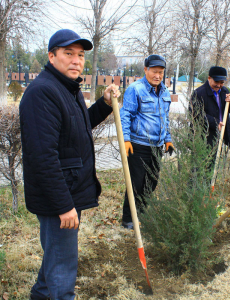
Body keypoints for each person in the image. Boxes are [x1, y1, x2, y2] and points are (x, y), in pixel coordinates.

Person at [20, 29, 120, 300]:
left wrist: (105, 103)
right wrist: (64, 206)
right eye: (68, 53)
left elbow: (79, 126)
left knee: (56, 257)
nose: (77, 61)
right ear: (51, 56)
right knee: (63, 269)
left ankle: (40, 295)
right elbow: (43, 157)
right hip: (58, 199)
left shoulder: (67, 88)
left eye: (80, 55)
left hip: (68, 191)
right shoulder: (42, 93)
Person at [119, 54, 174, 230]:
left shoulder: (165, 92)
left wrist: (168, 139)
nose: (157, 76)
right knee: (135, 182)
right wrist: (126, 140)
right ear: (146, 70)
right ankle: (128, 218)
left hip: (157, 146)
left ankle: (141, 213)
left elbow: (165, 117)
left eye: (161, 72)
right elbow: (125, 115)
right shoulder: (135, 89)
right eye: (154, 71)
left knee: (152, 182)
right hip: (138, 145)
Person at [190, 66, 230, 149]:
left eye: (222, 82)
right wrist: (215, 123)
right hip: (204, 136)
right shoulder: (199, 93)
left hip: (220, 134)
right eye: (216, 81)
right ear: (209, 78)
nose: (218, 85)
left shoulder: (224, 91)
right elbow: (195, 114)